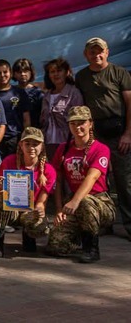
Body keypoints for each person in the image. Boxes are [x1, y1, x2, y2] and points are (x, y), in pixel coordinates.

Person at [74, 37, 131, 239]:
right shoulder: (81, 77)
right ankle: (104, 221)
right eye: (92, 51)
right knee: (99, 180)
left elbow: (129, 103)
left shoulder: (119, 73)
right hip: (95, 133)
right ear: (85, 54)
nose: (96, 55)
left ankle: (129, 224)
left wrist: (128, 133)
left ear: (107, 52)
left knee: (124, 180)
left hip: (118, 131)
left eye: (100, 51)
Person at [48, 106, 116, 263]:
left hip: (99, 201)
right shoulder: (63, 148)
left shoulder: (101, 149)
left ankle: (91, 248)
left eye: (81, 122)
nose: (77, 127)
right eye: (73, 123)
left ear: (90, 123)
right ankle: (77, 233)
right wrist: (59, 209)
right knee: (56, 247)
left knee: (85, 202)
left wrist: (74, 201)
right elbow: (57, 181)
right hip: (74, 202)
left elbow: (91, 178)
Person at [0, 127, 56, 257]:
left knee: (38, 224)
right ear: (21, 145)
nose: (31, 147)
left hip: (30, 210)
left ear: (42, 146)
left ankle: (29, 237)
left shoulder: (48, 170)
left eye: (35, 144)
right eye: (27, 143)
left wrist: (40, 207)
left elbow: (43, 198)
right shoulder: (9, 161)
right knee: (0, 199)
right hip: (12, 209)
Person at [40, 58, 83, 159]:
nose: (56, 74)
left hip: (68, 143)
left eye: (59, 71)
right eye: (52, 72)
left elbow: (79, 120)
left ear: (67, 72)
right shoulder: (47, 95)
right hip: (48, 143)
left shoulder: (74, 93)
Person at [0, 59, 31, 158]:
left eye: (5, 72)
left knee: (15, 168)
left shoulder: (19, 92)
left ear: (11, 73)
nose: (2, 75)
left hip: (15, 137)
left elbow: (26, 118)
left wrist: (25, 137)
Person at [13, 58, 44, 127]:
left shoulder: (38, 93)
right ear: (14, 74)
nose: (22, 74)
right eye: (19, 72)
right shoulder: (11, 92)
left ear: (31, 72)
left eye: (25, 71)